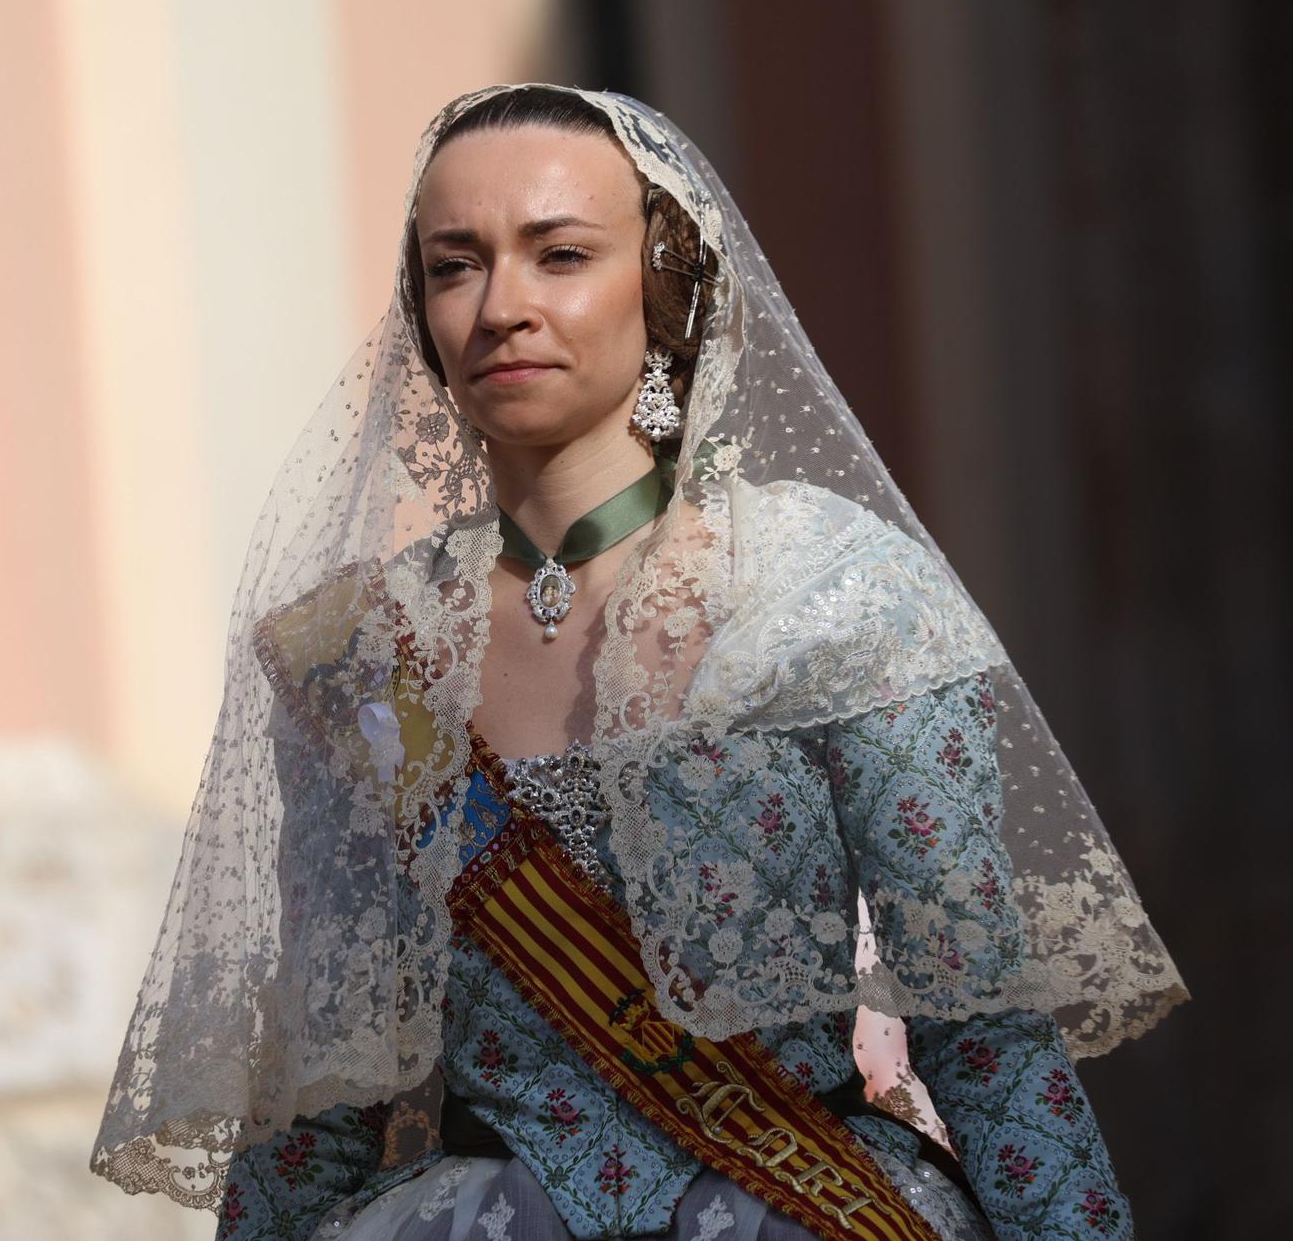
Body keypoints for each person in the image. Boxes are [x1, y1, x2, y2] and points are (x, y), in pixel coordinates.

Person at [90, 87, 1185, 1239]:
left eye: (557, 254)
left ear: (664, 294)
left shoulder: (827, 594)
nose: (501, 306)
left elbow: (980, 1031)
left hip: (798, 1208)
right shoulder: (365, 655)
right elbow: (326, 1084)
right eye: (455, 265)